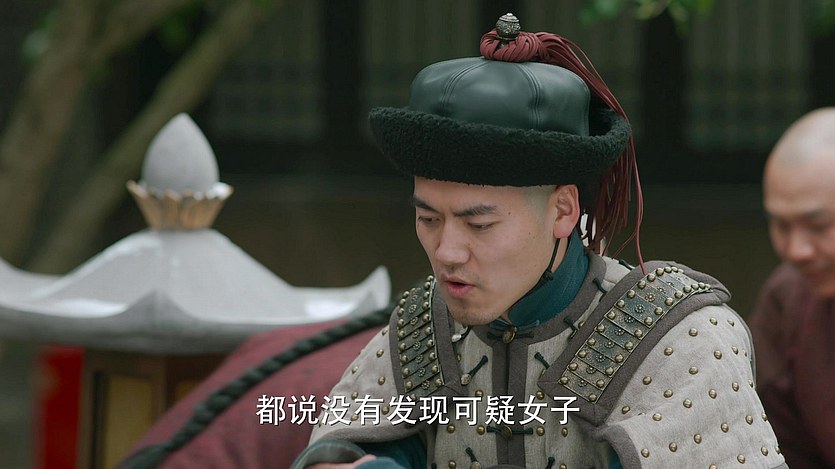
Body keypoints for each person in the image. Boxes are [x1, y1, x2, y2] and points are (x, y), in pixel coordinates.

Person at [291, 13, 785, 469]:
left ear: (563, 211)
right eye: (428, 218)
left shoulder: (675, 338)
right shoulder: (422, 328)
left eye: (479, 225)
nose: (446, 252)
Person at [751, 107, 835, 469]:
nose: (796, 250)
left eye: (818, 225)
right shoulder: (787, 298)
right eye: (782, 226)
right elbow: (775, 447)